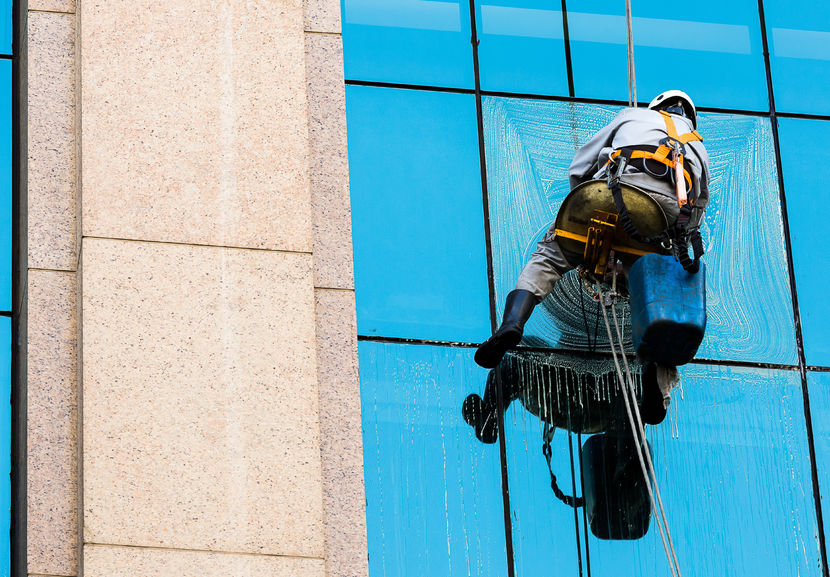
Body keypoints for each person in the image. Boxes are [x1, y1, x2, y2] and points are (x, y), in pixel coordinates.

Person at [474, 90, 711, 372]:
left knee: (550, 255)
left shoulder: (632, 116)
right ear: (690, 119)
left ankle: (512, 324)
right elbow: (695, 215)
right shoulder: (699, 148)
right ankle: (654, 374)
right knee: (657, 290)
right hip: (660, 216)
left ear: (657, 107)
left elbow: (581, 164)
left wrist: (576, 216)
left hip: (616, 191)